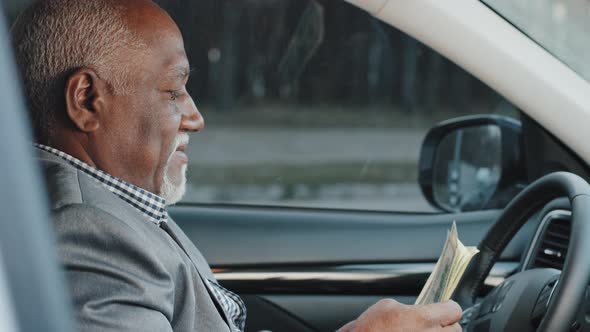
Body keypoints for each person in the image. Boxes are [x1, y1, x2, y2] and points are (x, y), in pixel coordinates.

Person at [11, 0, 462, 331]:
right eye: (173, 91)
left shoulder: (101, 211)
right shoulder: (89, 233)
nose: (195, 117)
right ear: (87, 100)